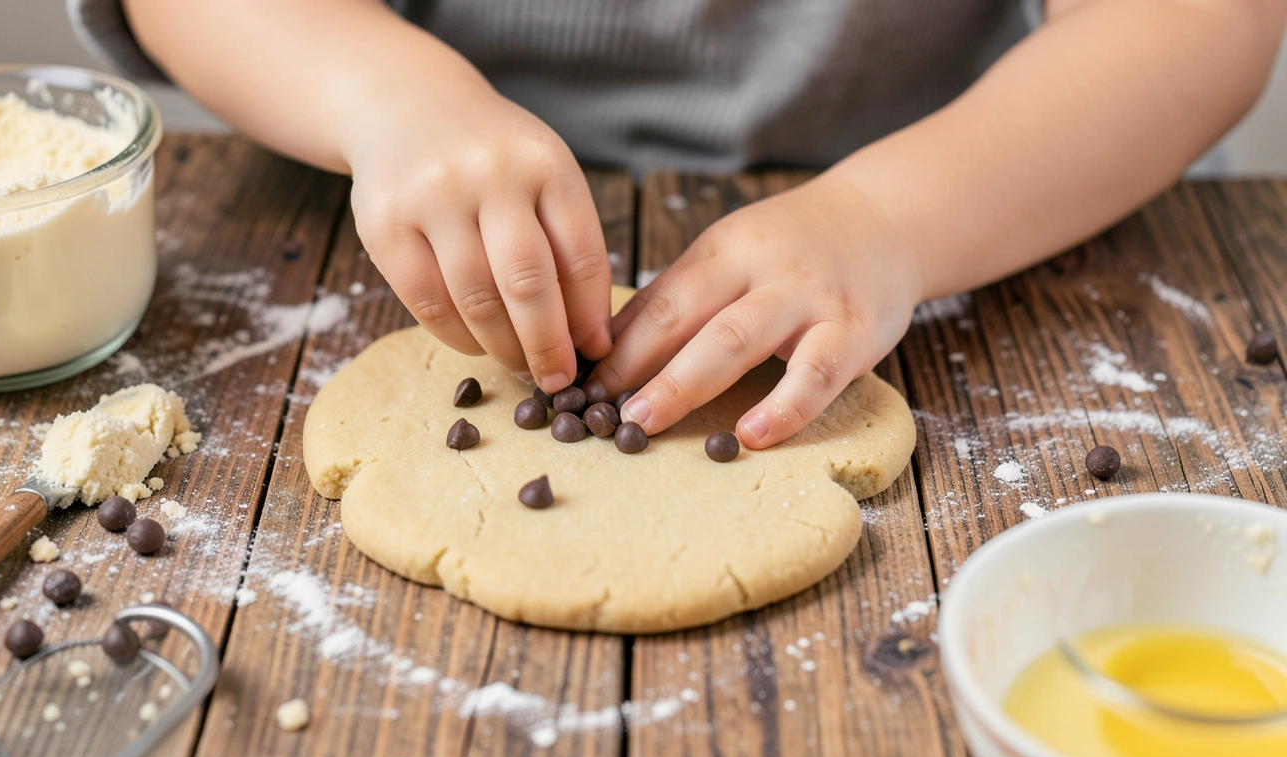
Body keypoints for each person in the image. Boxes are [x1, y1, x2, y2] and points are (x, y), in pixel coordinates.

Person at [71, 0, 1287, 449]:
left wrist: (893, 217)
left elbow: (1197, 19)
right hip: (390, 177)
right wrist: (386, 94)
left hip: (985, 179)